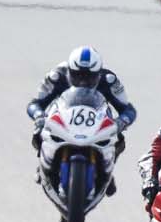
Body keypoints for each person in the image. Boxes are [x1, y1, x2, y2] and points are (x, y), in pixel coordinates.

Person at [26, 46, 137, 195]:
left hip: (95, 122)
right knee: (39, 131)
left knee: (118, 138)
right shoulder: (57, 76)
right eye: (78, 76)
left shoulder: (109, 80)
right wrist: (39, 116)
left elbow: (128, 109)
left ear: (98, 74)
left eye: (89, 77)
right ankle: (42, 164)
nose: (83, 82)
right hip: (64, 119)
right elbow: (35, 103)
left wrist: (121, 122)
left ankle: (108, 170)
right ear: (70, 71)